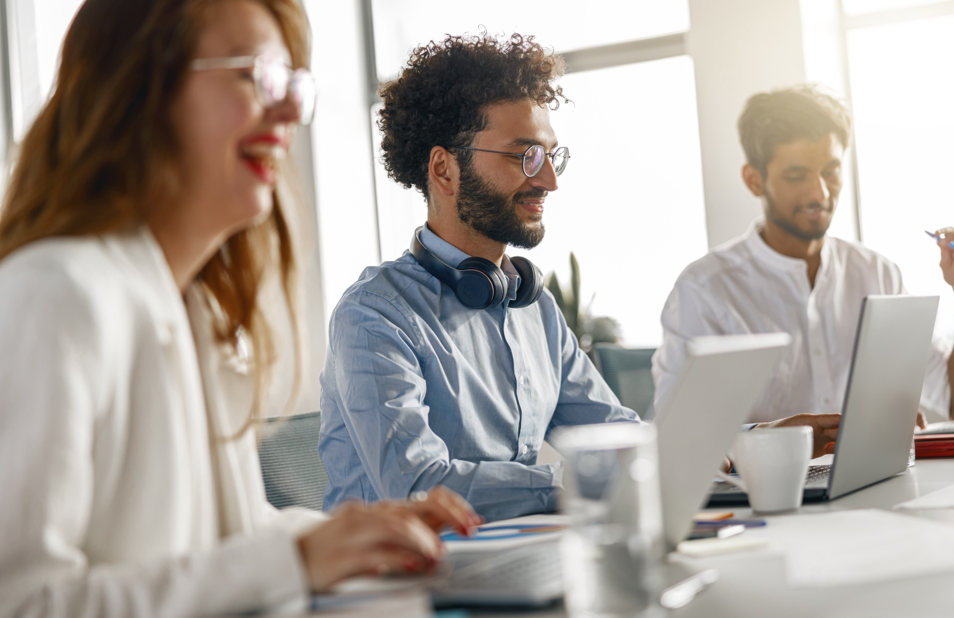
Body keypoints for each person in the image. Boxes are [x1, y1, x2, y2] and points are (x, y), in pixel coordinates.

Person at [0, 1, 479, 616]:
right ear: (137, 87)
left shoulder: (190, 306)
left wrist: (358, 535)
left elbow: (220, 539)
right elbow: (23, 603)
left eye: (294, 86)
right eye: (258, 76)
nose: (287, 113)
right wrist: (295, 563)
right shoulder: (54, 295)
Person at [318, 32, 637, 522]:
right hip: (403, 584)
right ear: (444, 170)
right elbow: (420, 488)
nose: (549, 179)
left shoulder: (535, 309)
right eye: (525, 155)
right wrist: (575, 482)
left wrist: (732, 445)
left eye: (552, 155)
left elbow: (615, 434)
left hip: (515, 560)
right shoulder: (373, 316)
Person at [653, 84, 952, 431]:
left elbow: (949, 394)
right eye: (797, 176)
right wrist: (775, 440)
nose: (820, 193)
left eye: (831, 171)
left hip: (873, 483)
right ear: (754, 180)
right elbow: (678, 436)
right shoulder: (704, 290)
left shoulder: (878, 274)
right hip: (762, 486)